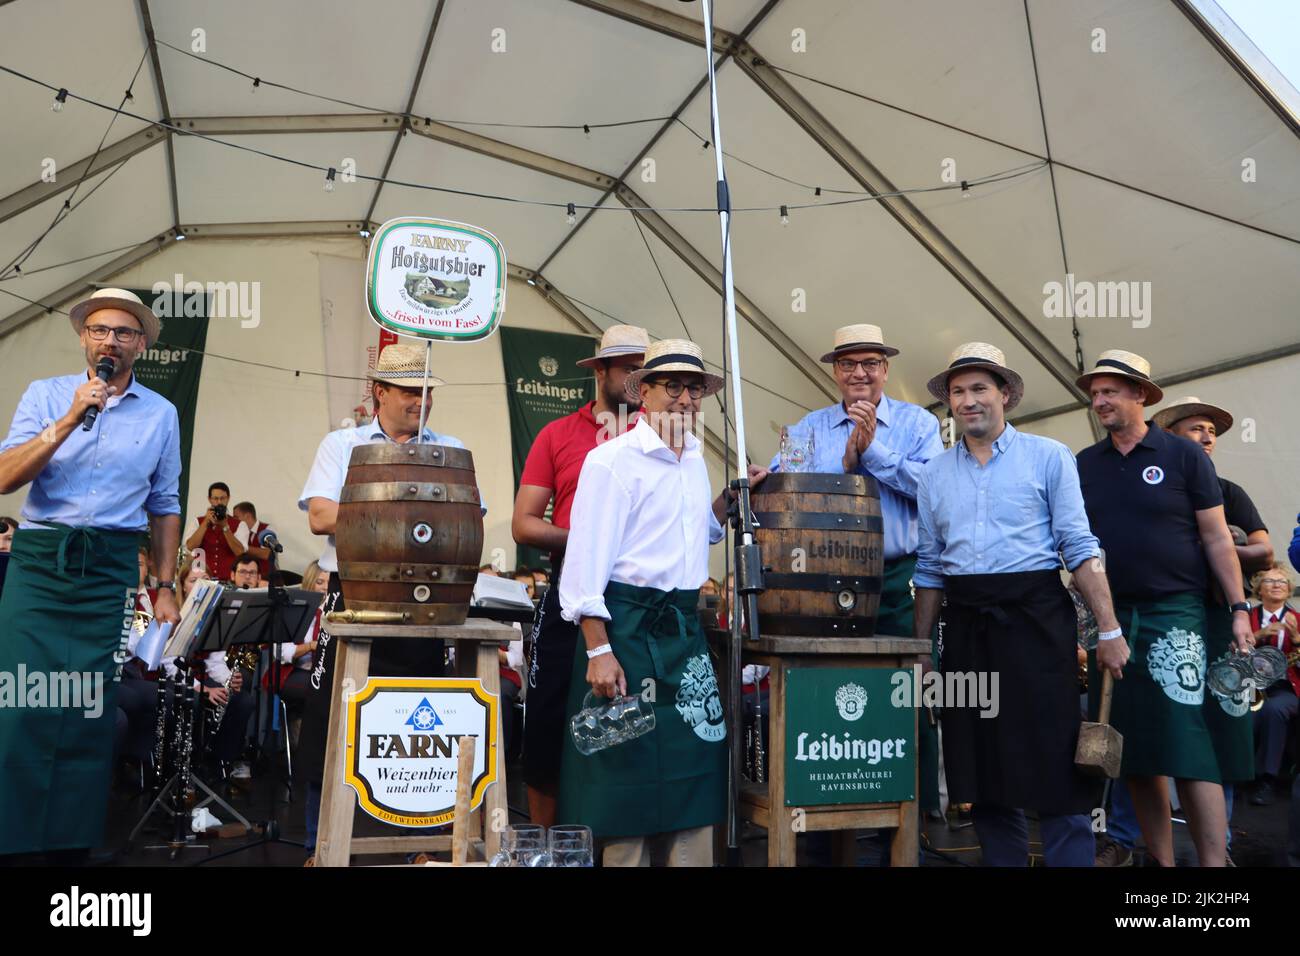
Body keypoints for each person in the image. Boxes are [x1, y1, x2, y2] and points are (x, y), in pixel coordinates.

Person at [913, 343, 1125, 866]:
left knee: (1055, 760)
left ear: (1005, 394)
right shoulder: (933, 474)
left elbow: (1079, 547)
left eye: (979, 388)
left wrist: (1109, 629)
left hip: (1036, 622)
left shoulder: (1048, 456)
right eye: (958, 392)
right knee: (978, 766)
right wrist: (921, 650)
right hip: (964, 628)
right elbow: (930, 568)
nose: (968, 401)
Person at [557, 338, 767, 867]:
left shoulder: (694, 461)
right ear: (644, 393)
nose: (683, 399)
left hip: (683, 637)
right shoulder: (610, 462)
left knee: (695, 778)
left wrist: (732, 501)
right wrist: (598, 651)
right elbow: (584, 566)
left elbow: (696, 535)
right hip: (624, 632)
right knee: (622, 779)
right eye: (671, 386)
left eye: (693, 389)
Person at [0, 287, 182, 862]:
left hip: (108, 566)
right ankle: (15, 836)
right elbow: (6, 478)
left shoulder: (162, 413)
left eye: (124, 333)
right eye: (100, 330)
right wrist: (70, 416)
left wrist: (165, 583)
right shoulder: (47, 394)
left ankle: (71, 841)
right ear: (83, 338)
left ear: (141, 347)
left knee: (86, 709)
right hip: (41, 561)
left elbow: (166, 503)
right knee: (24, 701)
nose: (110, 340)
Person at [297, 341, 481, 861]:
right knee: (331, 726)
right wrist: (405, 513)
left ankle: (421, 849)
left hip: (428, 606)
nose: (419, 402)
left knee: (420, 730)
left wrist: (398, 519)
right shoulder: (343, 445)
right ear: (379, 391)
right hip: (352, 595)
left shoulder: (452, 447)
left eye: (426, 392)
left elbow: (468, 519)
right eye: (408, 392)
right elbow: (319, 517)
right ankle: (321, 844)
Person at [1075, 350, 1253, 867]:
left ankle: (1214, 869)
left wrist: (1240, 607)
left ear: (1141, 396)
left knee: (1188, 746)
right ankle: (1161, 864)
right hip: (1112, 620)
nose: (1100, 400)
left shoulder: (1182, 455)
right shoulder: (1084, 464)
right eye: (1095, 392)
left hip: (1179, 613)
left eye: (1111, 391)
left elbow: (1218, 538)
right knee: (1135, 754)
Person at [771, 324, 945, 817]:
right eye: (848, 364)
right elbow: (785, 491)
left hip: (900, 577)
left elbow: (932, 489)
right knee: (830, 686)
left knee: (910, 687)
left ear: (886, 370)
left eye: (870, 363)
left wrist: (873, 453)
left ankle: (921, 812)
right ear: (835, 372)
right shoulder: (807, 428)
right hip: (824, 584)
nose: (860, 373)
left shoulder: (918, 425)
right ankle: (837, 801)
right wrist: (845, 467)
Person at [512, 324, 646, 828]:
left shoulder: (661, 436)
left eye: (644, 369)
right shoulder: (557, 434)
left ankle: (617, 838)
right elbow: (522, 523)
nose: (638, 379)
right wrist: (590, 542)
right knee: (547, 714)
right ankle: (547, 844)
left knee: (628, 715)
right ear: (601, 372)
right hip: (569, 583)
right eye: (629, 368)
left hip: (635, 591)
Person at [1154, 396, 1272, 843]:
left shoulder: (1230, 492)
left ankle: (1217, 843)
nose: (1206, 438)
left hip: (1224, 620)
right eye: (1195, 429)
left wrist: (1218, 543)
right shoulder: (1157, 489)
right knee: (1152, 728)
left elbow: (1265, 551)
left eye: (1211, 432)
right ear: (1171, 437)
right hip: (1166, 620)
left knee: (1224, 728)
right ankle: (1128, 839)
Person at [1246, 564, 1299, 806]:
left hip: (1286, 688)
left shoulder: (1298, 620)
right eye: (1270, 581)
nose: (1277, 585)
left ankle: (1266, 779)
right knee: (1246, 712)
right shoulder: (1245, 618)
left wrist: (1297, 641)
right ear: (1259, 589)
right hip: (1249, 686)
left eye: (1282, 582)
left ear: (1289, 591)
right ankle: (1237, 773)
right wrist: (1258, 635)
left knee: (1274, 711)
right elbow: (1229, 651)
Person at [185, 482, 245, 583]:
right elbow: (190, 546)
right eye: (215, 498)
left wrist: (225, 527)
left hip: (228, 580)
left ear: (228, 498)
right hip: (202, 579)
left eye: (222, 498)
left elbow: (240, 552)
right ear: (209, 499)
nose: (219, 502)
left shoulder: (239, 524)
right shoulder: (197, 522)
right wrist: (205, 523)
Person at [232, 500, 276, 580]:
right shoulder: (237, 532)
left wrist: (243, 548)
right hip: (245, 578)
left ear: (248, 516)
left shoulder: (267, 529)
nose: (234, 521)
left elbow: (267, 554)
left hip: (266, 578)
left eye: (236, 518)